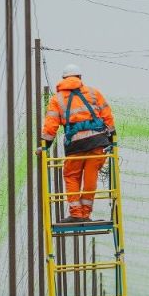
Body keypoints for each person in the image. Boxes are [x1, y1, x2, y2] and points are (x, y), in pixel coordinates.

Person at [39, 64, 116, 224]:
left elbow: (51, 125)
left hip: (75, 146)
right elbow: (107, 116)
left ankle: (76, 214)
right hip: (97, 143)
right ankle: (86, 213)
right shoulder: (94, 93)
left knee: (71, 176)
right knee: (90, 177)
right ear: (80, 78)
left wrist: (45, 145)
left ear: (64, 80)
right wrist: (111, 139)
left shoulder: (57, 99)